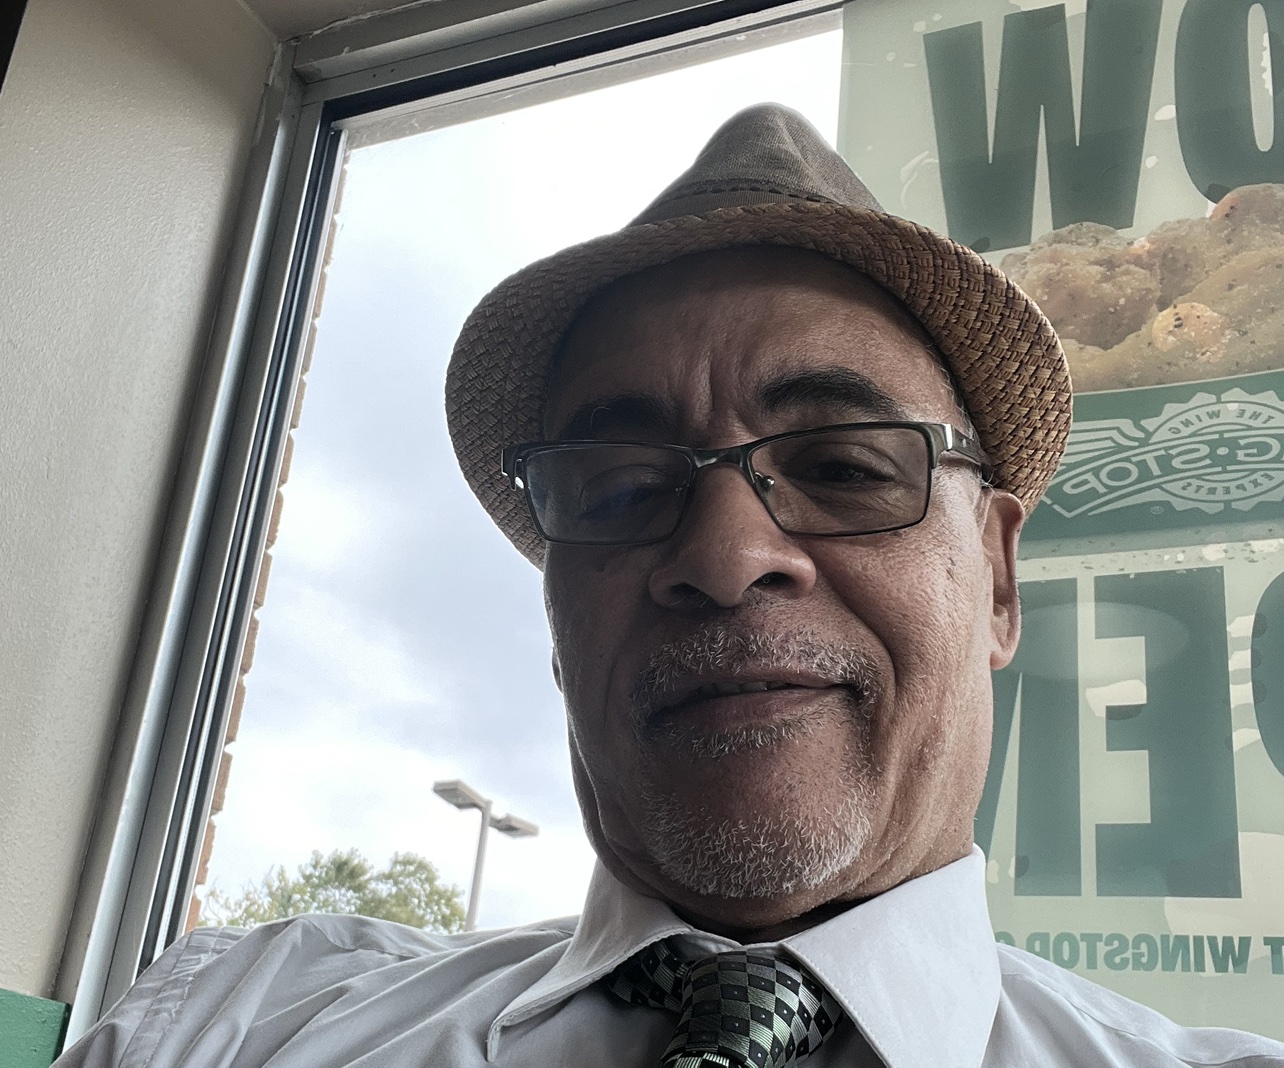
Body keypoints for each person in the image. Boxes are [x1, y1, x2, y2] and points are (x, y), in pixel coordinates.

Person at [56, 105, 1284, 1068]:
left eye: (844, 468)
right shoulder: (231, 1025)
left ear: (1000, 585)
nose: (725, 556)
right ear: (557, 623)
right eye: (620, 490)